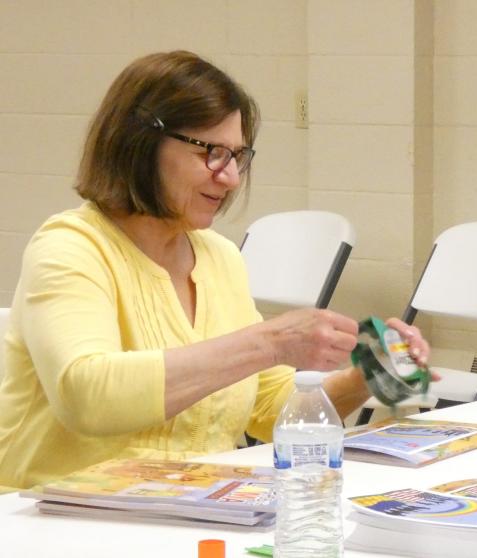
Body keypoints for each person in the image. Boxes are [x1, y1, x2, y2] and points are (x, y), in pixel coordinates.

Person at [0, 51, 429, 490]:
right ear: (140, 144)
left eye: (238, 156)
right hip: (54, 521)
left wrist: (366, 377)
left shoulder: (220, 257)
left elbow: (268, 409)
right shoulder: (71, 247)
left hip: (191, 511)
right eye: (211, 152)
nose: (230, 179)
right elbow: (87, 396)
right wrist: (271, 342)